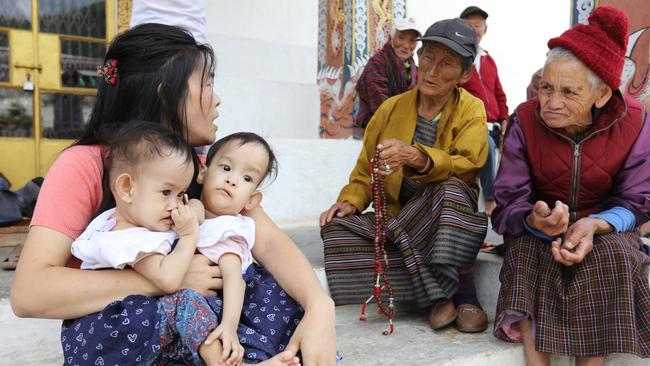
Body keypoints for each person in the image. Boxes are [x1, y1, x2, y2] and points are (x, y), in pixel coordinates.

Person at [10, 23, 335, 365]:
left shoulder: (206, 166)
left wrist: (319, 306)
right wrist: (167, 279)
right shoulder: (86, 165)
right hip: (131, 340)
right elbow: (30, 292)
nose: (217, 98)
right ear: (167, 95)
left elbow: (267, 241)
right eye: (207, 84)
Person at [492, 6, 650, 365]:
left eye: (568, 92)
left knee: (612, 255)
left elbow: (639, 198)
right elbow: (507, 200)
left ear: (602, 96)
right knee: (526, 252)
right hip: (540, 227)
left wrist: (594, 224)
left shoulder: (636, 123)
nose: (552, 103)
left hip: (605, 224)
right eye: (546, 88)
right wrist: (534, 219)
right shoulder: (525, 120)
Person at [321, 18, 489, 333]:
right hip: (403, 218)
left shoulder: (472, 109)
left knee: (450, 190)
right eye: (427, 58)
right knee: (335, 228)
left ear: (464, 74)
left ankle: (463, 292)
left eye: (447, 63)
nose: (432, 71)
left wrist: (417, 156)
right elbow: (364, 171)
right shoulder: (390, 108)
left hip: (444, 210)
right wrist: (351, 201)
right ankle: (434, 291)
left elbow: (468, 163)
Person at [458, 6, 508, 216]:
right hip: (471, 124)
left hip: (495, 126)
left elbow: (499, 92)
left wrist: (505, 118)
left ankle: (514, 205)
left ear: (484, 30)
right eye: (469, 26)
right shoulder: (458, 58)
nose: (474, 29)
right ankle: (490, 199)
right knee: (485, 145)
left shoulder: (489, 59)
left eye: (477, 25)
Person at [354, 17, 420, 130]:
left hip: (404, 127)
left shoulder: (414, 68)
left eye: (412, 40)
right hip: (377, 126)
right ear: (392, 38)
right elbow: (380, 103)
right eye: (401, 38)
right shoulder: (377, 64)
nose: (405, 45)